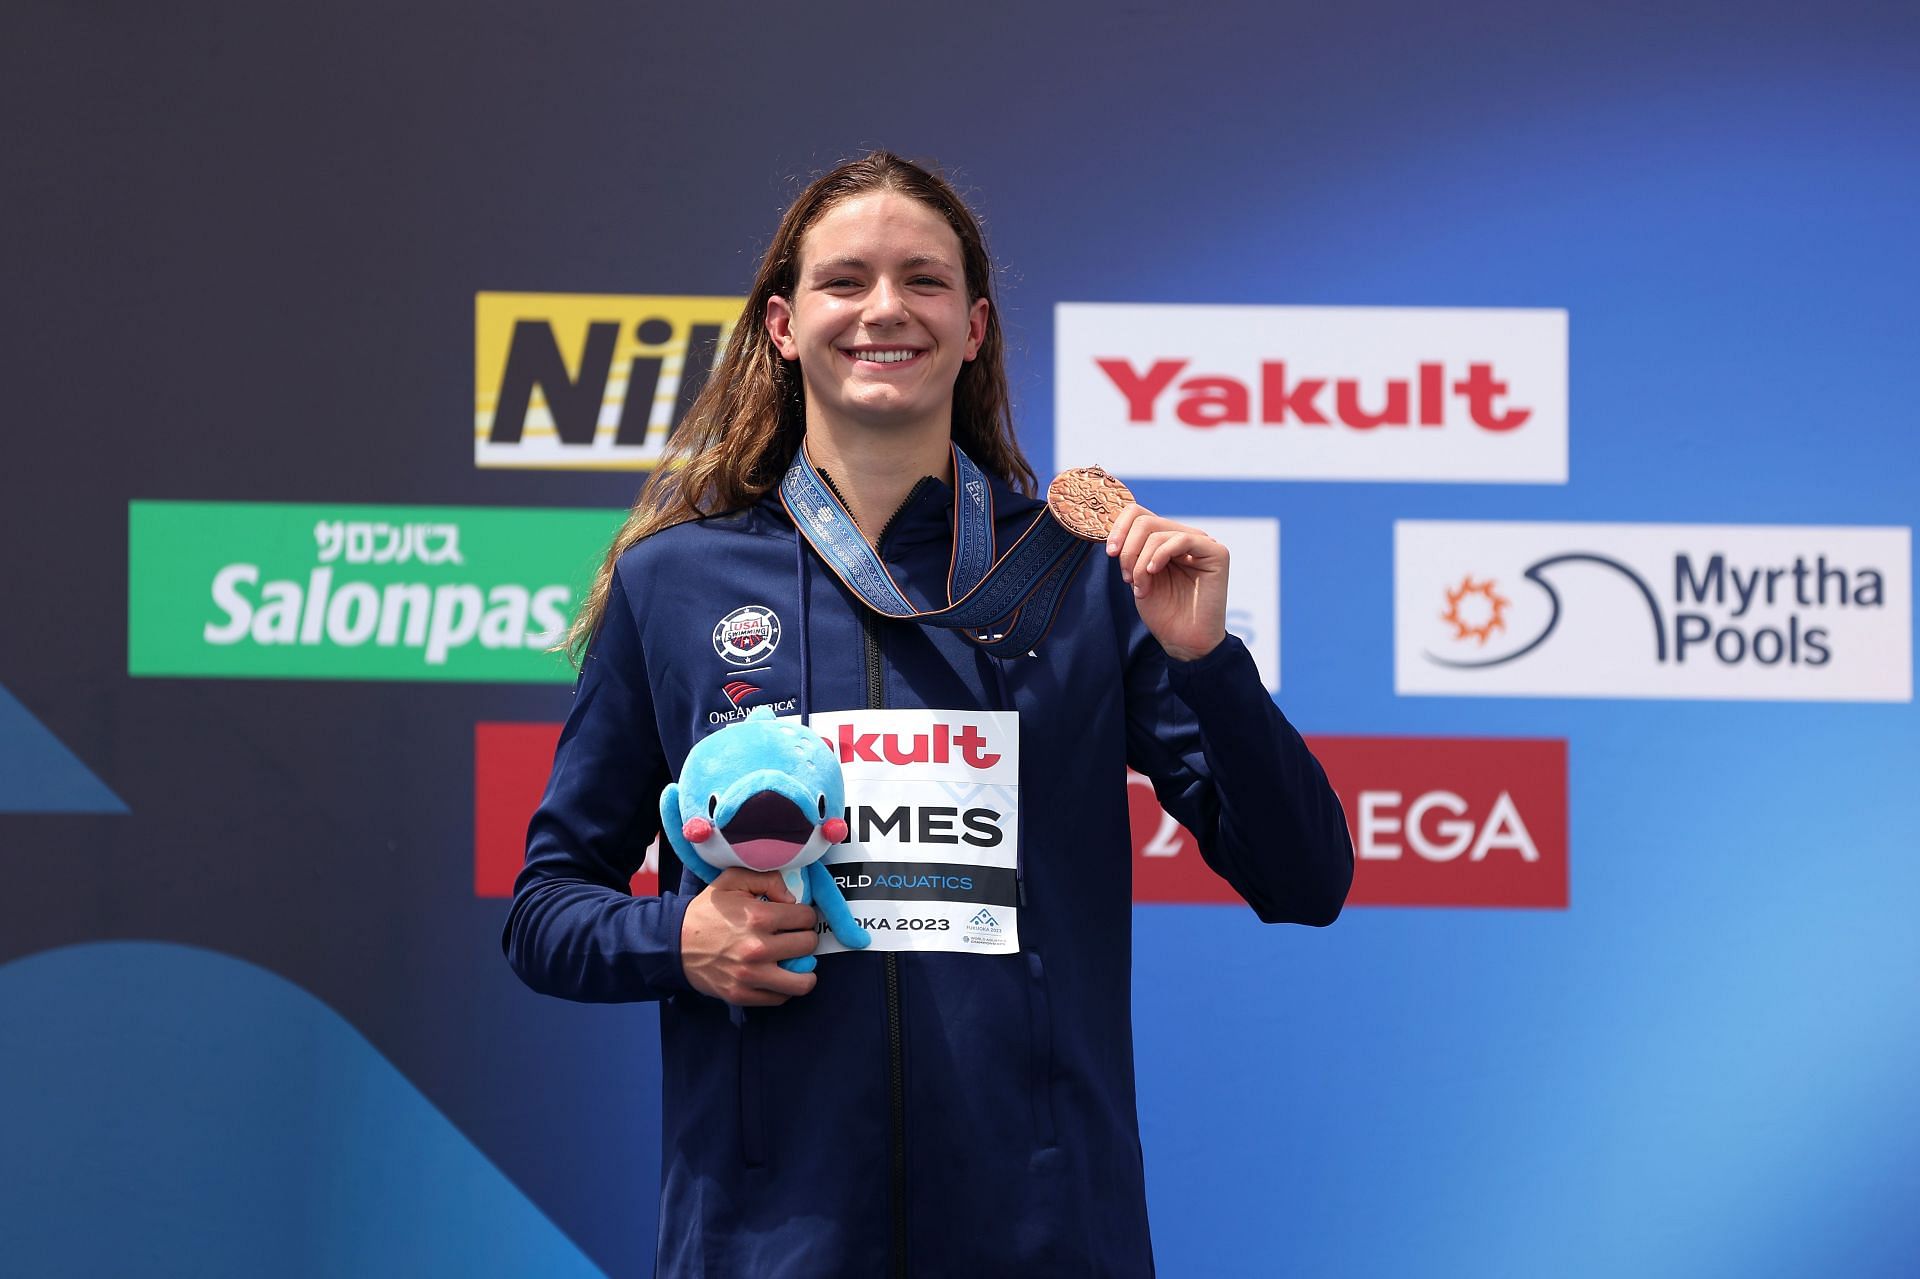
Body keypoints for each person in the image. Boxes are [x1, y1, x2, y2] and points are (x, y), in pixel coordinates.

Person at [503, 151, 1353, 1278]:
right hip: (769, 1244)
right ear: (783, 325)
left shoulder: (1080, 580)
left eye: (925, 281)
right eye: (845, 281)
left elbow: (1306, 879)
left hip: (1046, 1238)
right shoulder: (677, 584)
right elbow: (544, 910)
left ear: (976, 326)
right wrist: (681, 937)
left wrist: (1208, 664)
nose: (885, 308)